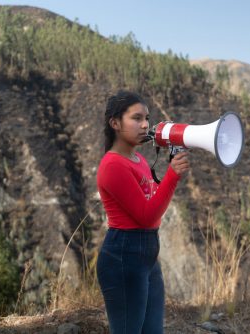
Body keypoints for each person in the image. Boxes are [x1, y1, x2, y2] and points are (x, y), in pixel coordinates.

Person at [96, 91, 190, 334]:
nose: (145, 124)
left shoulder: (136, 159)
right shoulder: (113, 165)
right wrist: (172, 175)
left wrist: (169, 174)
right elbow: (147, 216)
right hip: (124, 256)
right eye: (136, 118)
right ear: (115, 123)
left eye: (146, 118)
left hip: (146, 257)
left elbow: (153, 204)